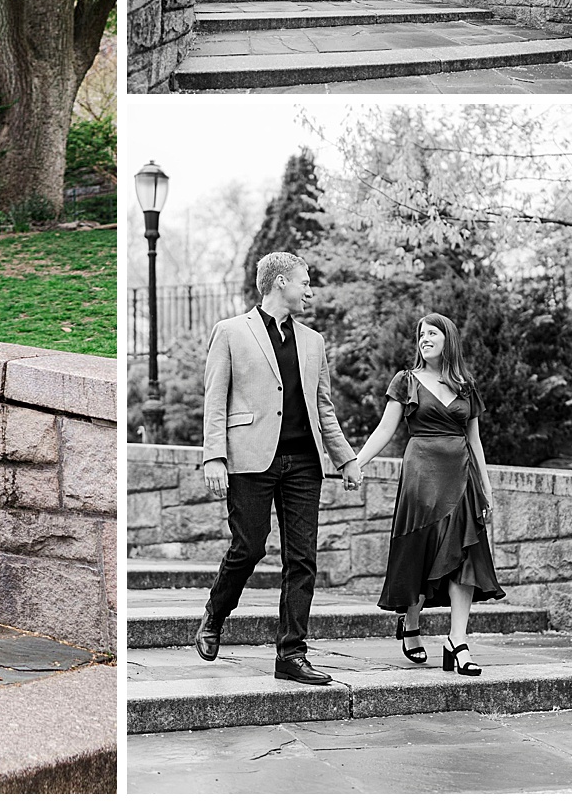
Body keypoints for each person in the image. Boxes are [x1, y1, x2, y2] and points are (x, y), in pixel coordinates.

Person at [196, 252, 360, 685]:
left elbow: (323, 407)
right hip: (250, 459)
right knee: (249, 547)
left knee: (302, 558)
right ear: (281, 281)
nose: (311, 291)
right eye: (306, 282)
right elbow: (215, 399)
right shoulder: (231, 332)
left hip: (304, 462)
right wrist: (214, 455)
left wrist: (345, 458)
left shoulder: (313, 341)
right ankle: (216, 612)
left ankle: (291, 654)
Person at [347, 313, 503, 676]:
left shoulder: (466, 385)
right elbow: (386, 428)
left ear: (448, 339)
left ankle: (458, 641)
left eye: (432, 333)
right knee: (421, 549)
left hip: (461, 478)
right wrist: (355, 462)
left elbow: (475, 440)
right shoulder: (407, 381)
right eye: (421, 334)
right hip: (421, 475)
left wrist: (487, 483)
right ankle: (411, 620)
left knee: (464, 555)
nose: (424, 339)